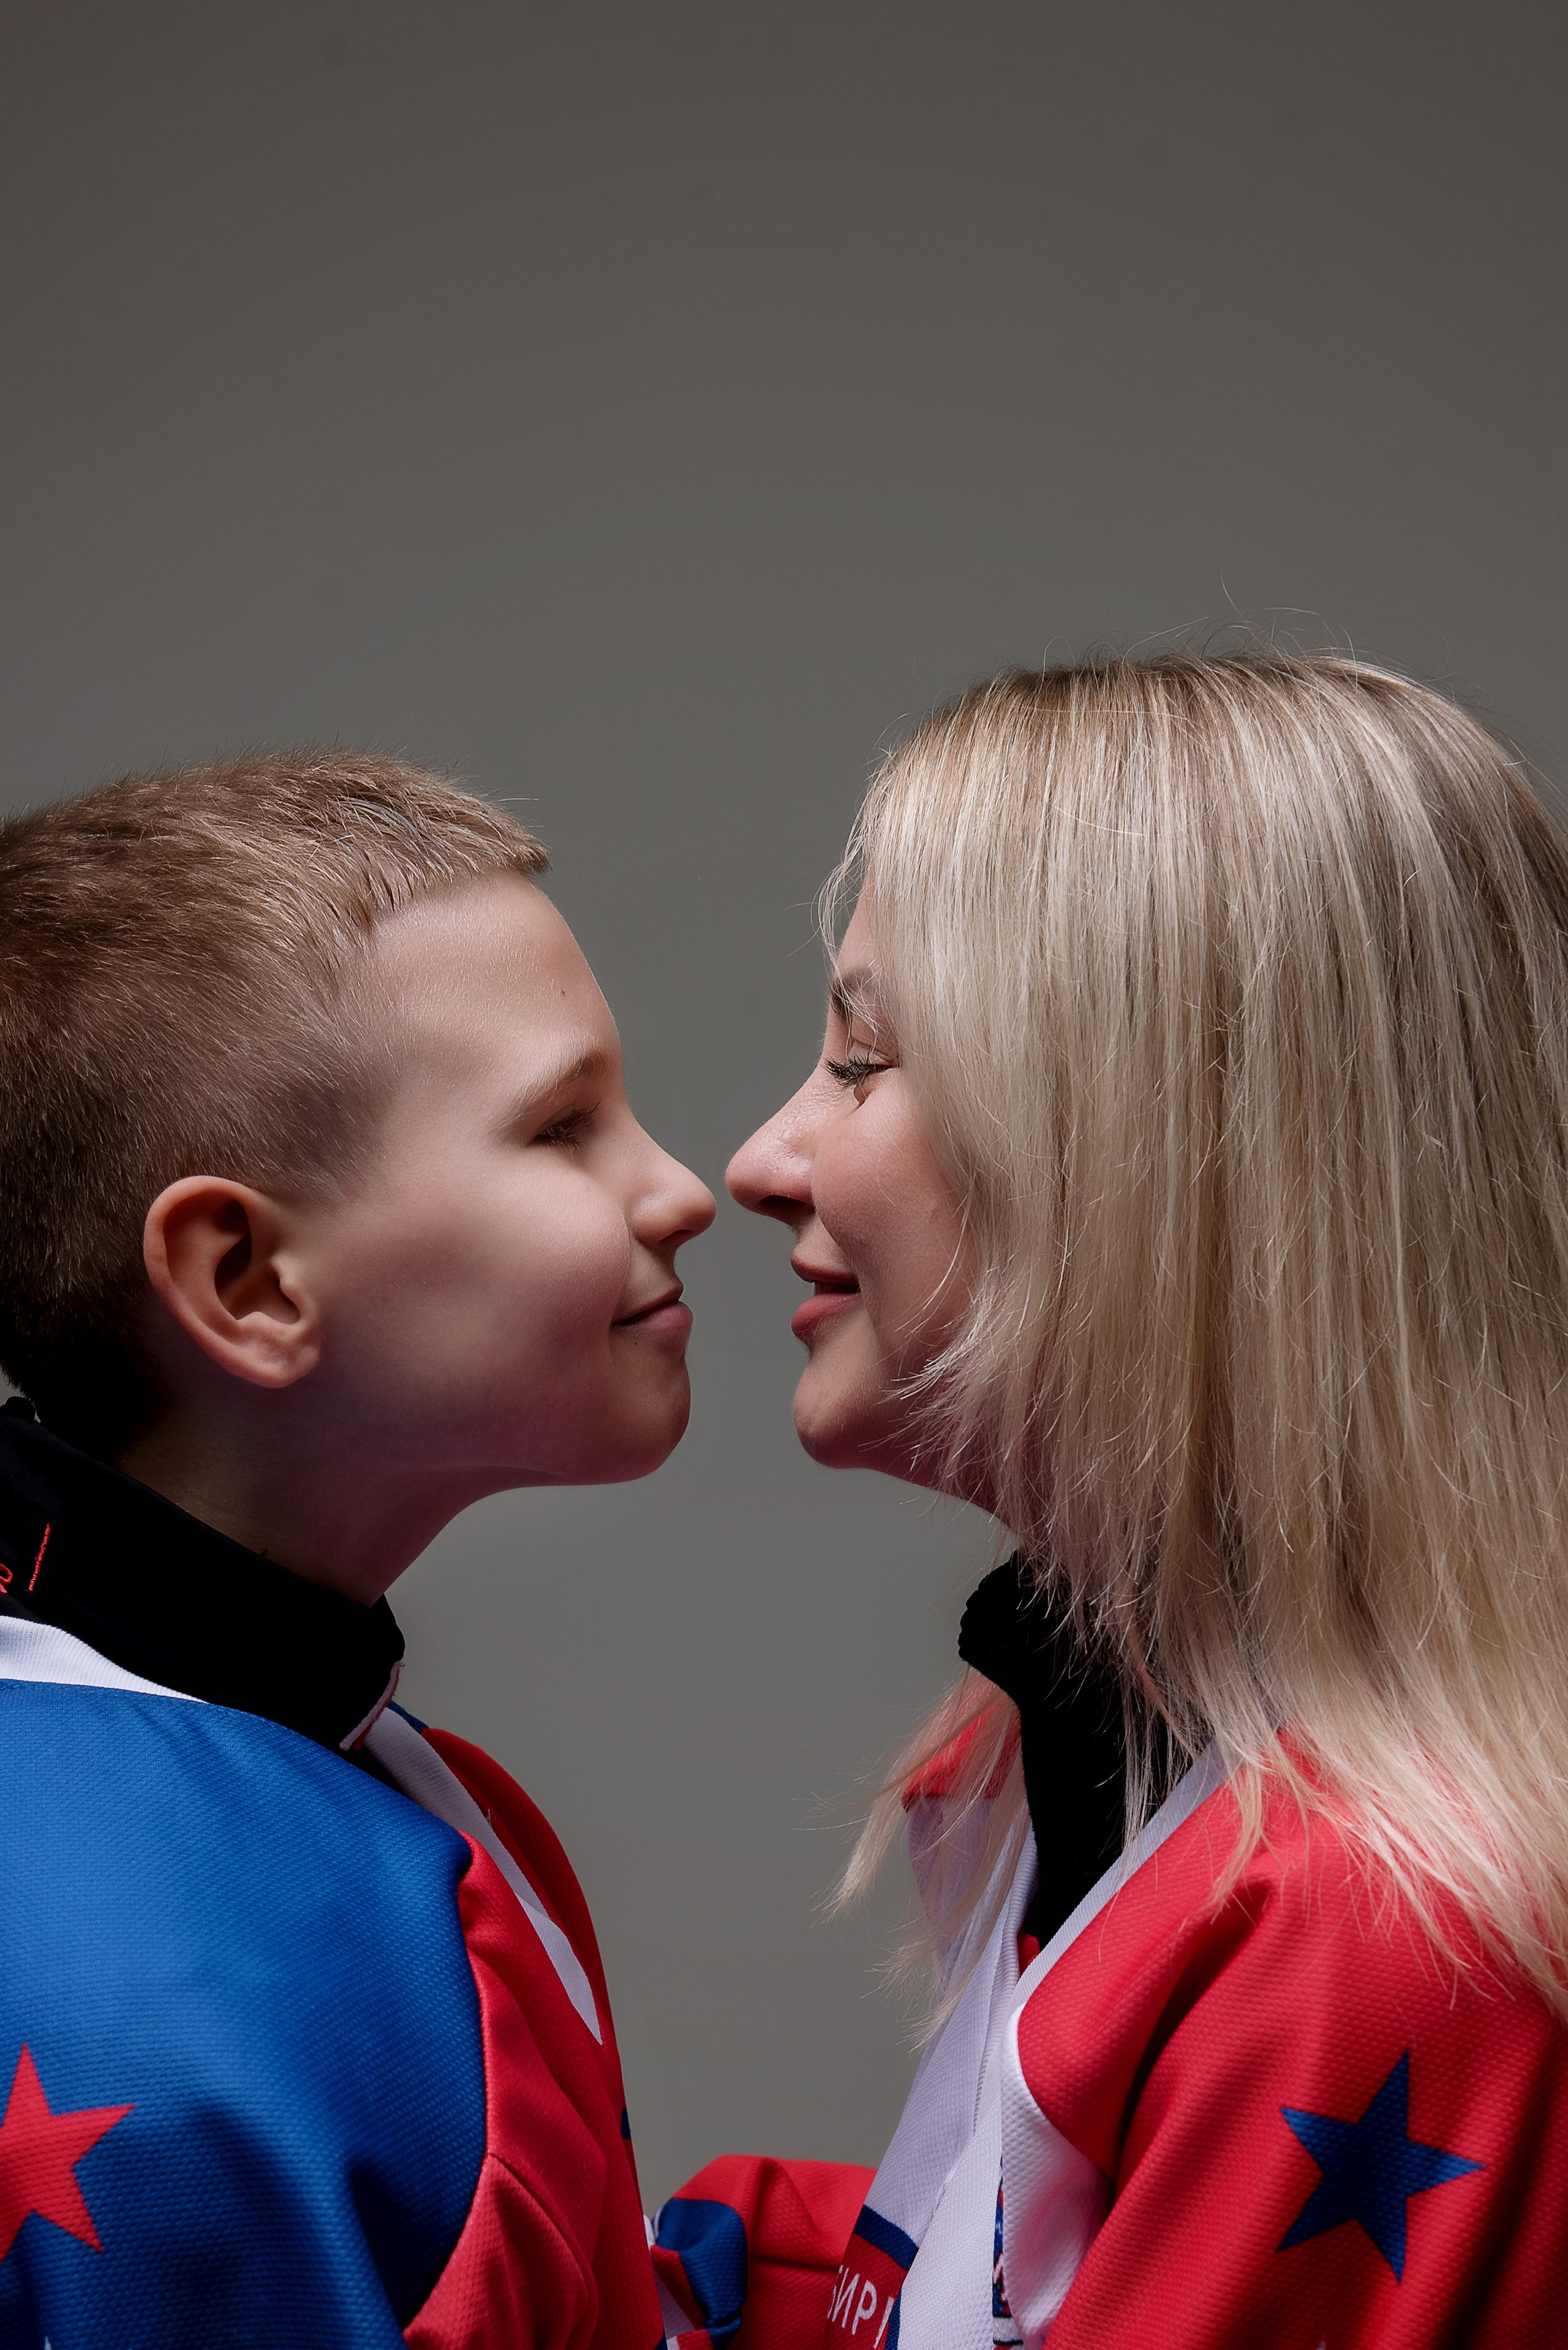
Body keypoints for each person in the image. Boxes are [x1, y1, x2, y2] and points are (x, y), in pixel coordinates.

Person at [717, 653, 1568, 2345]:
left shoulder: (1377, 1934)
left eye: (865, 1064)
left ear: (1140, 1151)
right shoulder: (1103, 1745)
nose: (758, 1160)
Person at [0, 752, 717, 2347]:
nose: (681, 1189)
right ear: (248, 1279)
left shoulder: (400, 1792)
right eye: (561, 1129)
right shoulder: (159, 1980)